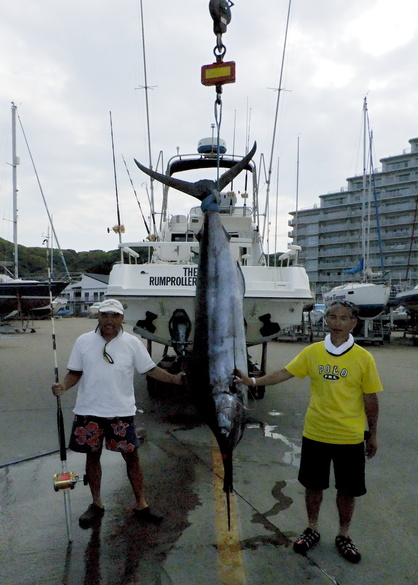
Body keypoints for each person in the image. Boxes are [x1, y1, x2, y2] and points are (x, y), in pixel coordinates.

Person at [235, 300, 382, 563]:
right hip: (316, 433)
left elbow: (370, 398)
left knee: (347, 491)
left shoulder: (364, 358)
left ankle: (344, 535)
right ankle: (312, 528)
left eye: (343, 318)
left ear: (353, 323)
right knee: (313, 487)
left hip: (349, 436)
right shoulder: (313, 352)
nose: (337, 323)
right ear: (326, 319)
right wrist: (253, 381)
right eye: (332, 317)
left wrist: (373, 433)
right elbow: (284, 372)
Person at [52, 298, 184, 529]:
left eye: (114, 315)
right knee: (92, 457)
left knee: (132, 457)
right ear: (99, 317)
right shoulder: (83, 341)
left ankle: (141, 504)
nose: (109, 320)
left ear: (122, 318)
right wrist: (63, 386)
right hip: (89, 410)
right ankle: (96, 504)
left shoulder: (132, 343)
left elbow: (150, 369)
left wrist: (175, 379)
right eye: (105, 315)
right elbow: (74, 373)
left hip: (121, 412)